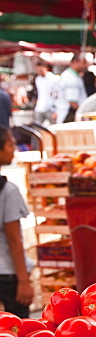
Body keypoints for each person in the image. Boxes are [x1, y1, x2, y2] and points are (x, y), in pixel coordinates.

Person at [0, 127, 31, 317]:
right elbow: (14, 239)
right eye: (10, 144)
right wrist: (24, 281)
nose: (14, 149)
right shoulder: (7, 191)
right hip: (7, 273)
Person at [55, 53, 89, 123]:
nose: (85, 65)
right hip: (69, 117)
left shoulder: (73, 76)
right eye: (83, 63)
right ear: (74, 62)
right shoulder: (71, 78)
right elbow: (73, 103)